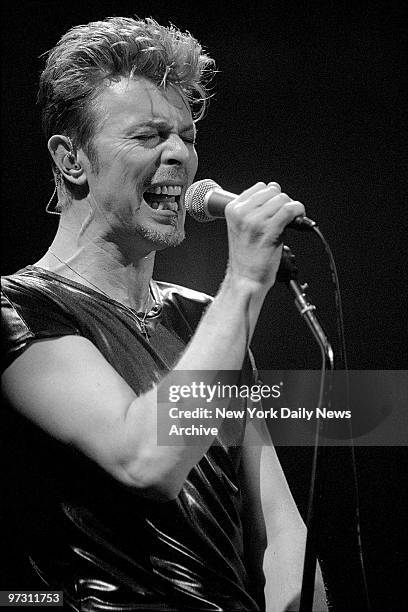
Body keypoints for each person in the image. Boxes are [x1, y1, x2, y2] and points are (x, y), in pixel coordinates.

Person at [1, 16, 327, 611]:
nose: (180, 153)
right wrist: (247, 279)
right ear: (72, 158)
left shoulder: (205, 319)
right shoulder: (18, 310)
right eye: (150, 136)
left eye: (187, 135)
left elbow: (279, 528)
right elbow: (144, 459)